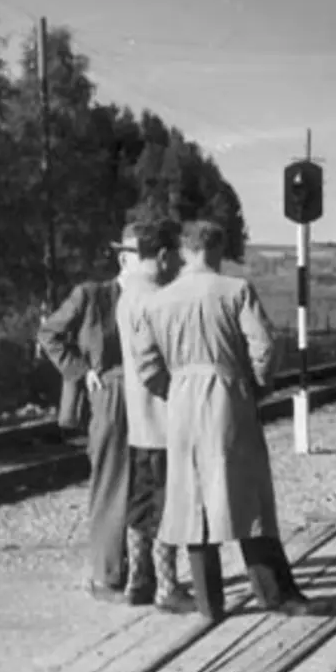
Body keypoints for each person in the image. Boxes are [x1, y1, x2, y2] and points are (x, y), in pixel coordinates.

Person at [131, 219, 324, 622]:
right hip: (229, 399)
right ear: (217, 251)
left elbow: (147, 366)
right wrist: (253, 386)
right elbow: (266, 347)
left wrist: (177, 388)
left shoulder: (156, 301)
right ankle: (274, 594)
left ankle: (209, 603)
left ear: (184, 251)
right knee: (249, 499)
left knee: (193, 504)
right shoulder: (236, 291)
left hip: (182, 406)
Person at [37, 229, 134, 601]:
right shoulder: (92, 296)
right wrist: (81, 370)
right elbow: (49, 334)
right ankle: (105, 576)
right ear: (125, 259)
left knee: (141, 487)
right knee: (111, 485)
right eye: (144, 256)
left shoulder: (154, 298)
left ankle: (134, 571)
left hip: (145, 400)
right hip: (107, 398)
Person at [116, 219, 198, 614]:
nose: (178, 265)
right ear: (163, 255)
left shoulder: (127, 294)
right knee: (168, 506)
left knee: (140, 504)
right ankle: (168, 586)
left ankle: (139, 581)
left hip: (138, 422)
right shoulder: (158, 299)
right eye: (175, 257)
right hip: (165, 421)